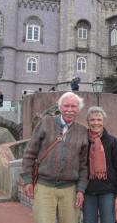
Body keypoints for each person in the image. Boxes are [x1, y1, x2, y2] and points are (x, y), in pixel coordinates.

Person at [21, 92, 89, 223]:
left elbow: (83, 165)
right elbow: (29, 153)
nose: (70, 110)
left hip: (70, 189)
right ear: (60, 107)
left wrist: (80, 189)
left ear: (78, 109)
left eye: (73, 107)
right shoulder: (46, 123)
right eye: (66, 106)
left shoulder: (82, 131)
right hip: (44, 186)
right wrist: (27, 180)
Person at [83, 106, 117, 223]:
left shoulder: (112, 141)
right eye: (92, 120)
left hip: (108, 192)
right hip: (87, 192)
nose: (96, 123)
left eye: (99, 120)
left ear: (103, 122)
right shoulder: (82, 140)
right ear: (87, 121)